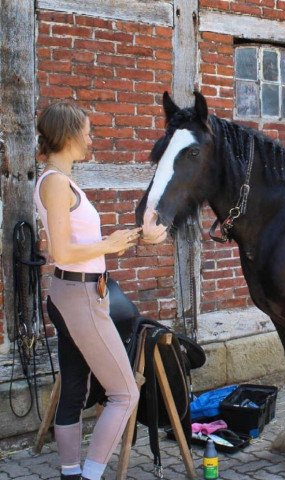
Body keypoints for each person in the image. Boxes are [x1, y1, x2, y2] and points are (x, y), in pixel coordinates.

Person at [33, 101, 141, 480]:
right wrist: (108, 246)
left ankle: (71, 473)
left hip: (72, 293)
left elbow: (70, 244)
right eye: (88, 130)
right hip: (78, 297)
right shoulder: (57, 183)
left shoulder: (59, 180)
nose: (91, 136)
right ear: (70, 134)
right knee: (126, 393)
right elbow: (60, 252)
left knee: (75, 389)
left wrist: (136, 237)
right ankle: (91, 476)